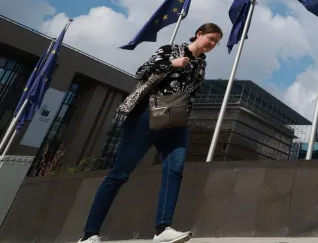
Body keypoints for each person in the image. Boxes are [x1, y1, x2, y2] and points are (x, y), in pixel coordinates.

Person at [76, 23, 223, 243]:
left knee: (175, 170)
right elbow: (141, 72)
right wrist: (171, 64)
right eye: (211, 39)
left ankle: (163, 229)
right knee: (119, 174)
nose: (212, 44)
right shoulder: (169, 50)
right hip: (147, 116)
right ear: (199, 34)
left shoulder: (201, 64)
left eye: (216, 42)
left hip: (176, 123)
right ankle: (89, 234)